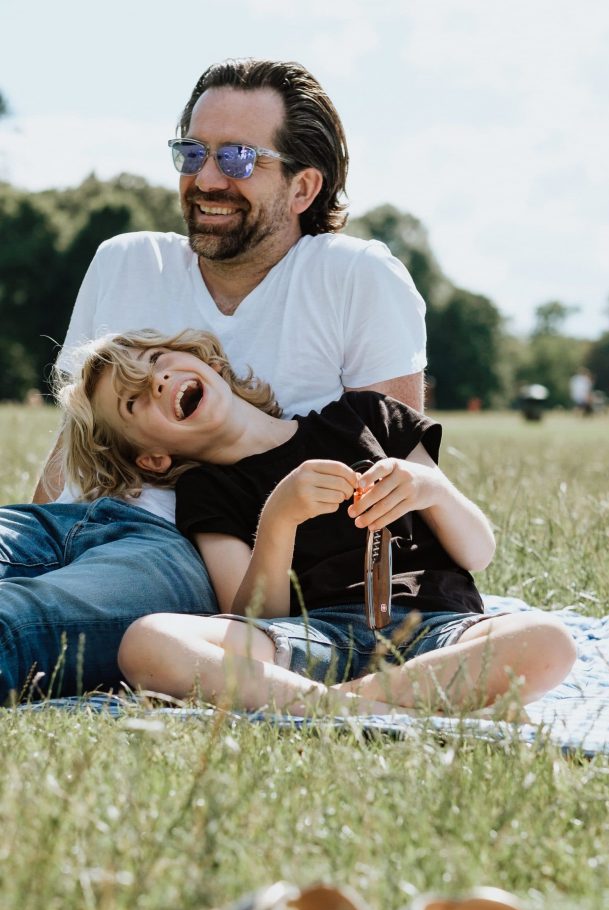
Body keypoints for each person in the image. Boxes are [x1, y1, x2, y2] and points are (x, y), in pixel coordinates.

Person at [0, 59, 427, 703]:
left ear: (303, 186)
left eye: (237, 159)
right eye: (193, 151)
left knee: (20, 623)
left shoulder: (356, 279)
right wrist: (37, 523)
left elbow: (394, 487)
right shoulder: (125, 260)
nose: (204, 178)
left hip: (178, 556)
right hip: (62, 524)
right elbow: (73, 443)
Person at [56, 327, 576, 715]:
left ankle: (341, 707)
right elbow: (257, 614)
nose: (159, 380)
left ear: (201, 358)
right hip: (313, 638)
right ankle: (374, 706)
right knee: (147, 641)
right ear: (152, 459)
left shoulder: (368, 417)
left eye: (156, 361)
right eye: (134, 399)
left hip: (438, 626)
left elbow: (478, 552)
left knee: (549, 641)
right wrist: (279, 518)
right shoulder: (207, 490)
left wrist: (429, 489)